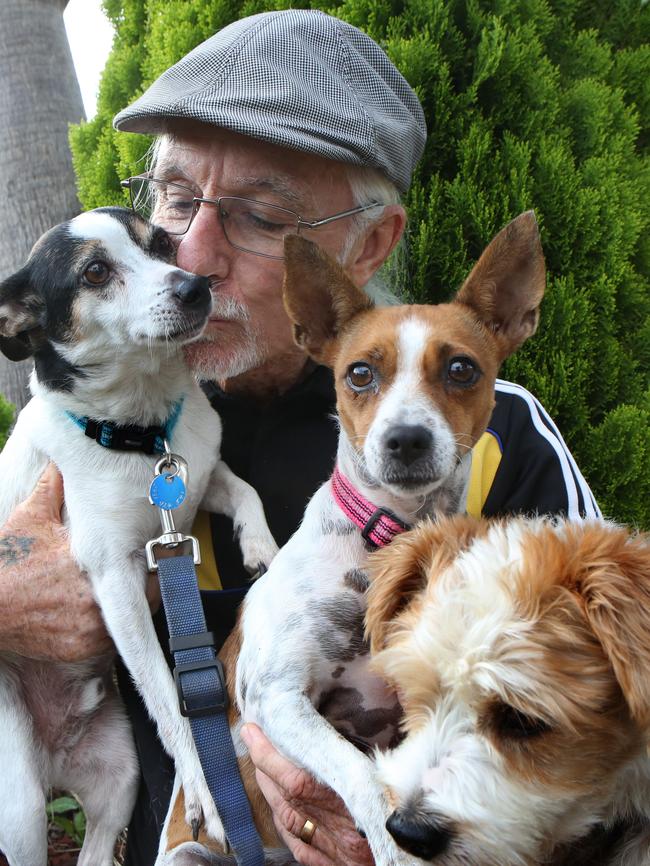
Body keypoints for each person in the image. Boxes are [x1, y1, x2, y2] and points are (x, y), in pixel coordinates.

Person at [0, 9, 601, 866]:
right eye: (174, 200)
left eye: (255, 217)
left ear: (365, 246)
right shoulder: (85, 422)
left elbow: (598, 719)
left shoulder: (498, 437)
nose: (193, 254)